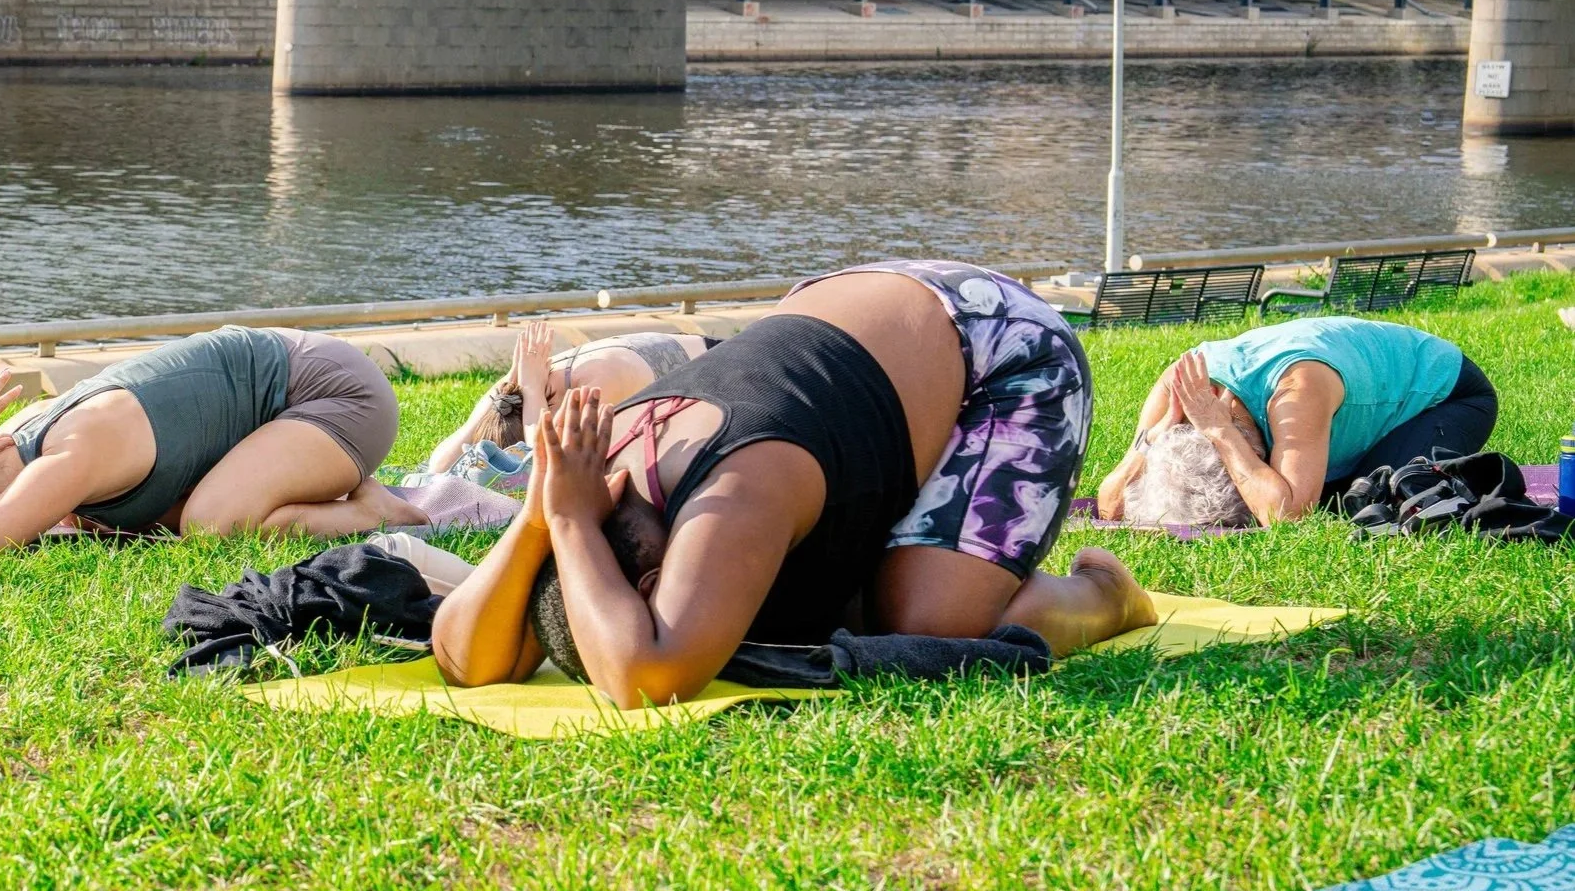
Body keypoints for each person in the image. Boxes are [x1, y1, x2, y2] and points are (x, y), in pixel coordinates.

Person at [430, 261, 1157, 711]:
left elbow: (647, 677)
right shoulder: (579, 479)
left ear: (658, 578)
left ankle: (1104, 595)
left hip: (998, 340)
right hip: (856, 327)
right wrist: (540, 520)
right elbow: (464, 659)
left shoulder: (736, 483)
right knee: (836, 600)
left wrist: (569, 526)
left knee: (931, 620)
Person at [0, 324, 427, 555]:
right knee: (149, 519)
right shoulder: (18, 448)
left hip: (336, 395)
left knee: (209, 523)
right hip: (273, 399)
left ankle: (371, 511)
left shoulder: (62, 459)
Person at [1095, 316, 1493, 528]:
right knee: (1315, 489)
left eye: (1256, 460)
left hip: (1450, 395)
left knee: (1357, 501)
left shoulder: (1295, 390)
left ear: (1251, 446)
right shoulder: (1175, 400)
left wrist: (1220, 432)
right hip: (1334, 383)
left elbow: (1286, 516)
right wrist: (1150, 442)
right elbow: (1109, 506)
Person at [423, 321, 713, 475]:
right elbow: (438, 466)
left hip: (721, 367)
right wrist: (519, 382)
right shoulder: (516, 387)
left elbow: (549, 460)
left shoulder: (593, 385)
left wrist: (533, 390)